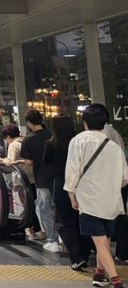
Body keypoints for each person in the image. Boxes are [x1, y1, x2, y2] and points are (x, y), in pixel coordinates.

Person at [65, 104, 128, 288]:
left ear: (84, 122)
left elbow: (72, 170)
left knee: (100, 241)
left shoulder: (78, 141)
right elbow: (124, 177)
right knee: (105, 239)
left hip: (89, 198)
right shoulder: (114, 146)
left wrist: (71, 193)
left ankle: (116, 281)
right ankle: (99, 275)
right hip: (111, 200)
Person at [42, 114, 94, 270]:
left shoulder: (51, 144)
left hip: (61, 185)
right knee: (82, 219)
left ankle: (76, 256)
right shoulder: (79, 142)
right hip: (82, 185)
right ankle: (85, 253)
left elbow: (46, 162)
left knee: (64, 222)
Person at [0, 122, 41, 240]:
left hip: (21, 179)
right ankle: (38, 229)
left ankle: (32, 230)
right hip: (33, 177)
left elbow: (10, 162)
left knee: (27, 206)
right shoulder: (25, 141)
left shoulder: (13, 145)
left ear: (8, 135)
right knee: (33, 203)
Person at [19, 108, 60, 252]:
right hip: (57, 177)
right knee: (59, 207)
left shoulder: (29, 139)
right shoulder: (52, 134)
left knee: (44, 208)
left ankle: (52, 240)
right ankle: (63, 237)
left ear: (29, 122)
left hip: (41, 178)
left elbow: (29, 161)